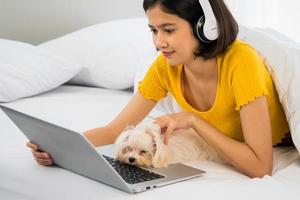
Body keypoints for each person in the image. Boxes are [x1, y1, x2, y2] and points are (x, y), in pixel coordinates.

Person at [27, 0, 291, 178]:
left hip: (279, 142)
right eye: (153, 30)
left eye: (168, 29)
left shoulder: (241, 62)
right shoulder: (166, 66)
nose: (159, 42)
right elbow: (114, 130)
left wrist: (193, 121)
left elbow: (260, 166)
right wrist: (59, 147)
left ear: (205, 27)